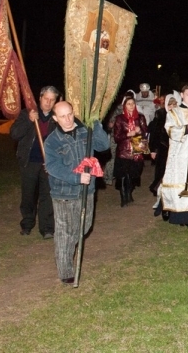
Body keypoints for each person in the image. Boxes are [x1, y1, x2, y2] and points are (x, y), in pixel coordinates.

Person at [44, 100, 110, 285]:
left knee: (83, 227)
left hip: (86, 191)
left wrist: (95, 122)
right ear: (55, 118)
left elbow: (103, 145)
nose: (67, 119)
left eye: (70, 114)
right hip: (64, 193)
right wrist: (76, 177)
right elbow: (52, 167)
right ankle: (66, 271)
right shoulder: (52, 141)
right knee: (65, 232)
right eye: (62, 116)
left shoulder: (84, 131)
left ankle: (66, 251)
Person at [10, 85, 60, 238]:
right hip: (29, 162)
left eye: (52, 100)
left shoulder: (57, 117)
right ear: (40, 97)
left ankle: (47, 228)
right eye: (46, 99)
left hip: (48, 163)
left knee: (47, 195)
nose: (48, 102)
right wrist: (29, 121)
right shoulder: (27, 113)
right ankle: (27, 224)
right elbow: (14, 134)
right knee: (28, 195)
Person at [156, 85, 188, 227]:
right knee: (178, 182)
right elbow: (170, 129)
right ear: (182, 95)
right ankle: (176, 216)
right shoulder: (174, 113)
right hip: (178, 154)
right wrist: (186, 128)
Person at [112, 94, 148, 207]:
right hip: (124, 151)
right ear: (124, 106)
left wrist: (140, 130)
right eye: (128, 104)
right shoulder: (119, 119)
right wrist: (128, 134)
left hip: (137, 149)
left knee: (134, 175)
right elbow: (116, 137)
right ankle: (124, 197)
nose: (131, 106)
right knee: (123, 175)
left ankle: (129, 192)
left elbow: (146, 133)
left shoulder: (140, 117)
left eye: (133, 103)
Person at [148, 93, 178, 196]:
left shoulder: (178, 116)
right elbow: (155, 134)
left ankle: (166, 189)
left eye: (174, 105)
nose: (172, 107)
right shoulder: (160, 114)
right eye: (170, 105)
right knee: (161, 169)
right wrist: (153, 149)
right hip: (162, 146)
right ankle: (156, 187)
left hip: (174, 146)